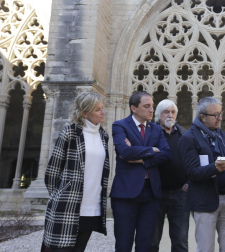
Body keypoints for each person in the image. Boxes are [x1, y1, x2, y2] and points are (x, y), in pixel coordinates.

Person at [42, 92, 110, 252]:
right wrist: (62, 195)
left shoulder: (103, 136)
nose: (103, 112)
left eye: (102, 108)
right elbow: (52, 171)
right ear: (85, 113)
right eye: (97, 109)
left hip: (92, 206)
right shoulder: (70, 133)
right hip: (67, 205)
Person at [179, 97, 225, 252]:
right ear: (203, 117)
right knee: (206, 248)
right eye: (216, 115)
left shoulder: (220, 135)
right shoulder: (189, 138)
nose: (220, 118)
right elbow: (192, 172)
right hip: (205, 199)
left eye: (220, 114)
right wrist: (216, 168)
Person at [110, 91, 171, 252]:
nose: (152, 110)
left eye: (152, 106)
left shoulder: (156, 129)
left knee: (145, 245)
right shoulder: (120, 125)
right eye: (147, 106)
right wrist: (152, 150)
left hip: (151, 193)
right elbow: (124, 152)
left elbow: (166, 155)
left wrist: (140, 157)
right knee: (124, 244)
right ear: (133, 108)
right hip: (125, 194)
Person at [151, 99, 189, 252]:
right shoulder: (150, 133)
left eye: (173, 112)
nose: (170, 115)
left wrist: (189, 181)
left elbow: (192, 160)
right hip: (154, 194)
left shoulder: (184, 135)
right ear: (158, 115)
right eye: (166, 112)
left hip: (180, 193)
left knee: (180, 241)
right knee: (151, 240)